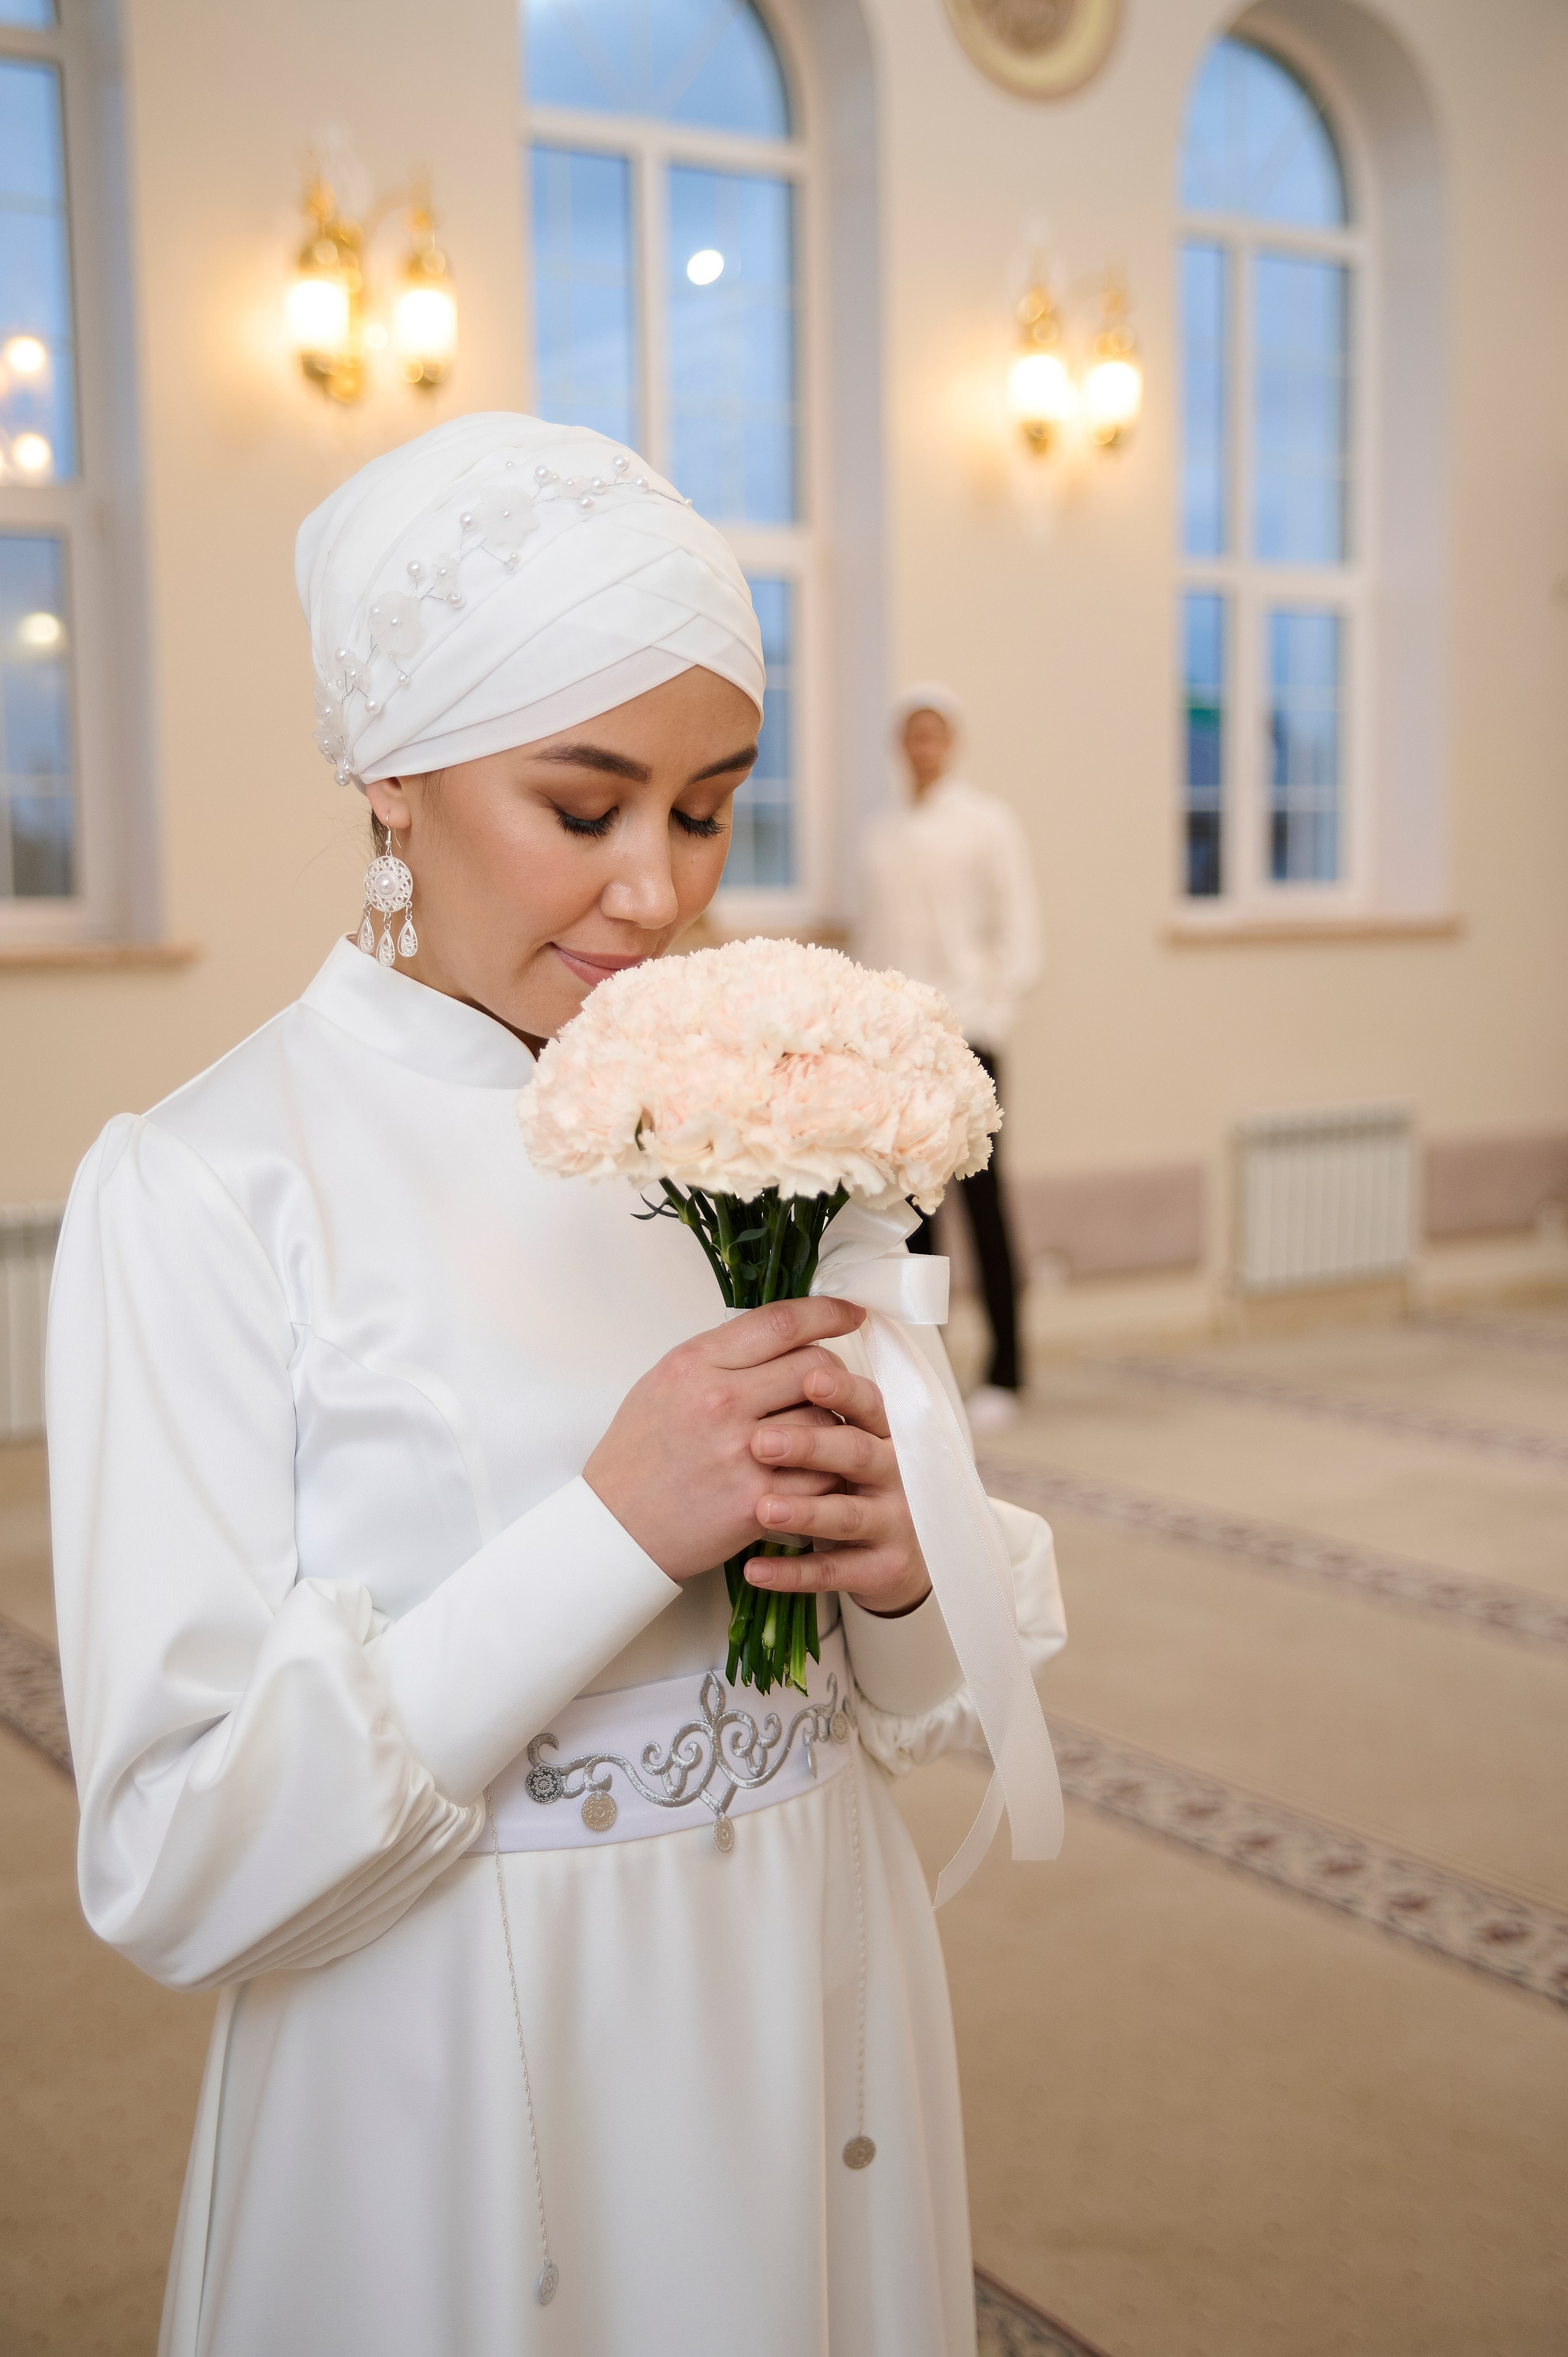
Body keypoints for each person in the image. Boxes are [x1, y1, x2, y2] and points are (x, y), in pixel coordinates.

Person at [46, 415, 1066, 2357]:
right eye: (581, 806)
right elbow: (175, 1858)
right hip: (458, 2066)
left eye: (706, 809)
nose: (655, 894)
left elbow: (914, 1698)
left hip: (815, 1983)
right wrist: (611, 1527)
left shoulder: (761, 1121)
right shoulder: (208, 1182)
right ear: (390, 783)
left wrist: (903, 1564)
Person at [860, 685, 1042, 1435]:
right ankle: (926, 1365)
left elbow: (1020, 931)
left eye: (934, 734)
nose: (922, 748)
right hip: (900, 1045)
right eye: (911, 735)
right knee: (911, 1213)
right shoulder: (881, 833)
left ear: (952, 742)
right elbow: (876, 937)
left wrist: (987, 1018)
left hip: (967, 1036)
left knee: (984, 1203)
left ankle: (1006, 1369)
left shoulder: (987, 824)